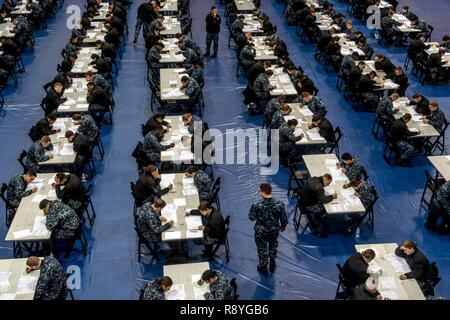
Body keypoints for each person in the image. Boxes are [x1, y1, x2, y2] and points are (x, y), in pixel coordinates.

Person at [249, 184, 288, 275]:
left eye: (260, 191)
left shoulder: (256, 205)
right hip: (274, 230)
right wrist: (283, 226)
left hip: (261, 231)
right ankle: (272, 262)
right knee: (273, 245)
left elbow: (251, 217)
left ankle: (264, 267)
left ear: (263, 192)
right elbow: (284, 218)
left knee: (262, 248)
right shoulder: (279, 204)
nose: (260, 193)